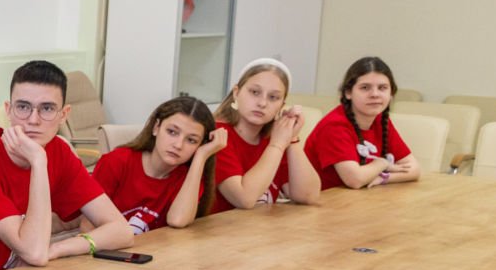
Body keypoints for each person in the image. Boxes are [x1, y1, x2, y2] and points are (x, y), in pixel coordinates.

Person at [0, 60, 133, 270]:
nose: (33, 120)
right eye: (23, 107)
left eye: (47, 109)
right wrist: (39, 161)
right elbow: (34, 253)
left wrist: (58, 248)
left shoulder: (59, 151)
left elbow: (122, 231)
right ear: (8, 110)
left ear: (64, 115)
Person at [91, 95, 225, 234]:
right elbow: (87, 225)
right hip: (109, 247)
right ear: (156, 127)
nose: (178, 145)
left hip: (159, 247)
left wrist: (201, 157)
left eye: (191, 140)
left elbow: (178, 220)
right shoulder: (116, 161)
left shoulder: (189, 177)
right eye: (172, 132)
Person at [209, 58, 322, 213]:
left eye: (273, 97)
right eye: (254, 92)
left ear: (282, 105)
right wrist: (277, 145)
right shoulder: (218, 134)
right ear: (236, 93)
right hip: (220, 227)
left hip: (260, 226)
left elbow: (308, 196)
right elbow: (244, 198)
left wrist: (292, 139)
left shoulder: (274, 139)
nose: (262, 103)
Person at [307, 56, 422, 190]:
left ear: (391, 94)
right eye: (365, 87)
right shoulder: (334, 125)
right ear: (348, 93)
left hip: (360, 198)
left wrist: (383, 178)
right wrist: (382, 164)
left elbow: (414, 169)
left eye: (382, 88)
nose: (375, 94)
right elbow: (355, 180)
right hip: (325, 199)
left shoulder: (380, 120)